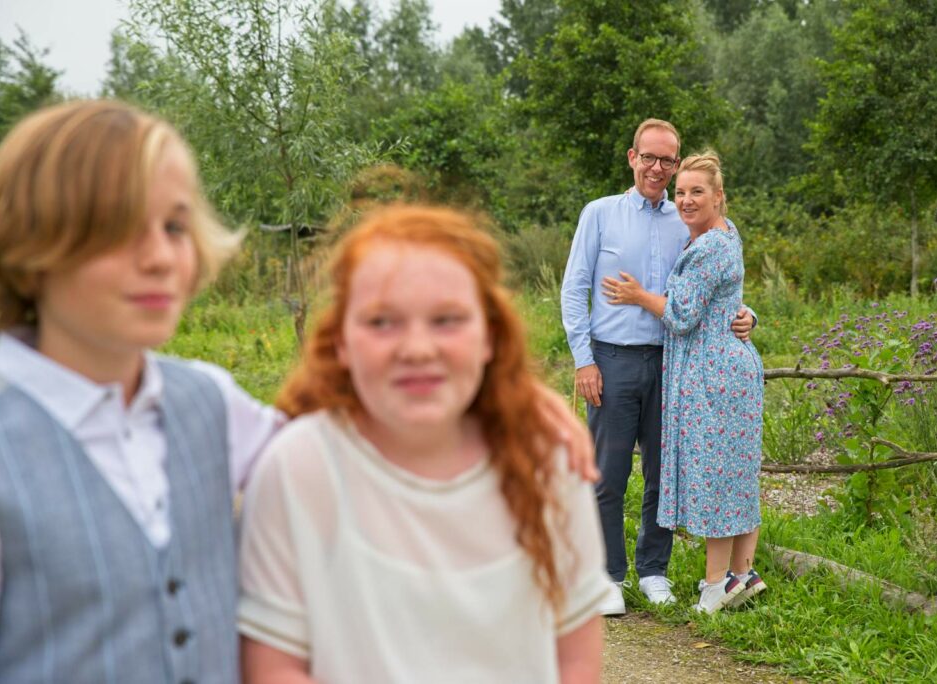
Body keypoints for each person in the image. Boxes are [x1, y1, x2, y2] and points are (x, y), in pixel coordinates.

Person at [0, 102, 596, 682]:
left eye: (175, 226)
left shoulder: (206, 402)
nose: (160, 257)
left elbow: (368, 423)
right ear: (31, 246)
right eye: (118, 229)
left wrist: (511, 394)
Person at [238, 205, 612, 683]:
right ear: (341, 343)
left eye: (447, 320)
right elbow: (275, 665)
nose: (417, 349)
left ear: (489, 338)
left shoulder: (549, 460)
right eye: (381, 322)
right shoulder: (300, 467)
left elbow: (576, 657)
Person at [561, 118, 755, 616]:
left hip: (673, 366)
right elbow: (573, 289)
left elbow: (718, 284)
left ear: (675, 165)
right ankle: (607, 577)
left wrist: (748, 315)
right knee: (608, 472)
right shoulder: (599, 214)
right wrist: (584, 359)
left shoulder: (685, 218)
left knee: (661, 474)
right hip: (612, 359)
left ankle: (653, 570)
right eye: (649, 157)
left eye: (667, 160)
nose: (657, 167)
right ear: (632, 158)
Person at [602, 152, 765, 614]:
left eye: (697, 192)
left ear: (719, 197)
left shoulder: (709, 245)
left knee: (716, 475)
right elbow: (726, 298)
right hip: (729, 367)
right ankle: (741, 574)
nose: (686, 200)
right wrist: (748, 314)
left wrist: (636, 296)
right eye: (682, 192)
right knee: (737, 473)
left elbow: (681, 314)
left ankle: (715, 587)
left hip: (713, 372)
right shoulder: (725, 235)